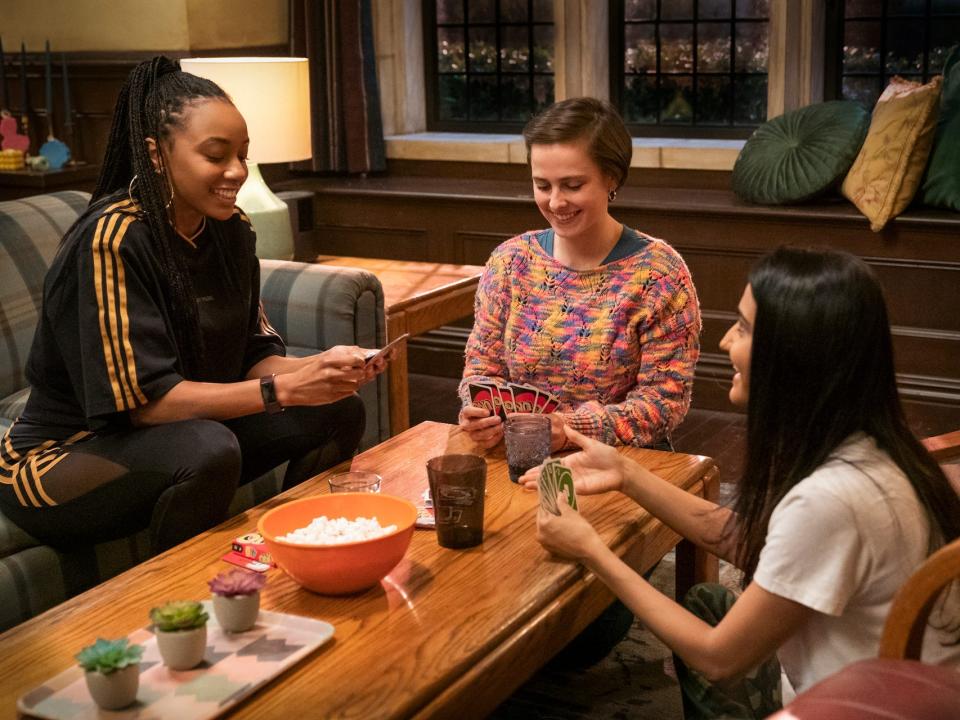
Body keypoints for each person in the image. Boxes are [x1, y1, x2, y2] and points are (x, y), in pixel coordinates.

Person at [525, 246, 960, 718]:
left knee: (709, 622)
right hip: (909, 694)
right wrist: (627, 473)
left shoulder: (831, 499)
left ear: (794, 353)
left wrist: (592, 550)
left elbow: (718, 657)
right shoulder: (873, 447)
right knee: (707, 600)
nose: (725, 341)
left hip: (851, 710)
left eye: (745, 327)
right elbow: (754, 540)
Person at [0, 57, 384, 554]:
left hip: (176, 434)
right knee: (208, 448)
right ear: (156, 154)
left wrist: (325, 369)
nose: (237, 172)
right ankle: (187, 608)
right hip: (60, 455)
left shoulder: (232, 229)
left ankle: (304, 556)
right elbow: (147, 405)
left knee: (338, 409)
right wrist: (284, 389)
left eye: (243, 155)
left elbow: (252, 356)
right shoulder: (113, 239)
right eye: (216, 155)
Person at [458, 97, 700, 452]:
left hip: (624, 465)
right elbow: (481, 370)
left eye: (572, 185)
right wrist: (478, 411)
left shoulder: (660, 273)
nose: (556, 202)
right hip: (518, 453)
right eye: (543, 185)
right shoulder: (510, 262)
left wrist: (570, 429)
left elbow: (663, 404)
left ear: (611, 178)